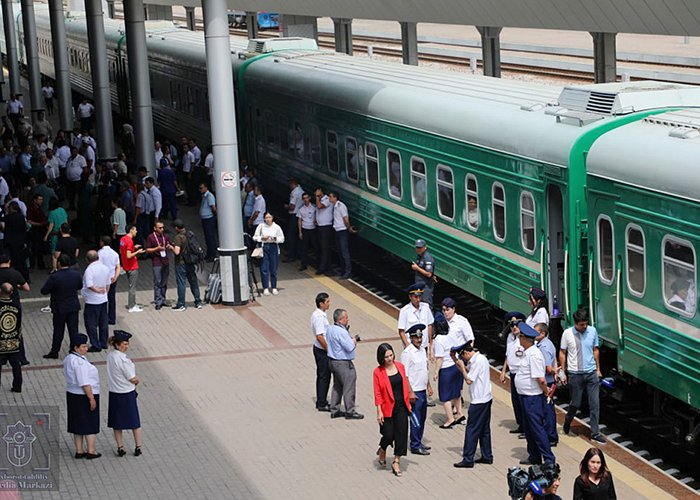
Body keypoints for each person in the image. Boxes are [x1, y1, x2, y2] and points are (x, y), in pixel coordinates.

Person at [559, 308, 605, 444]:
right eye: (581, 324)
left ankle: (595, 433)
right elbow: (562, 352)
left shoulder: (593, 331)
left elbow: (595, 350)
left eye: (586, 324)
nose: (584, 327)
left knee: (594, 404)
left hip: (591, 373)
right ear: (575, 323)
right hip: (575, 374)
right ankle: (568, 420)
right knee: (575, 403)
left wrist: (598, 369)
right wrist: (563, 371)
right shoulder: (567, 334)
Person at [515, 322, 556, 466]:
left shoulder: (535, 355)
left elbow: (541, 379)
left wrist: (546, 393)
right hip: (525, 396)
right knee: (529, 429)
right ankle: (534, 456)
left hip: (532, 398)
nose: (518, 338)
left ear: (525, 338)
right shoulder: (529, 353)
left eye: (520, 336)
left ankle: (549, 459)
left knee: (537, 429)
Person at [452, 341, 493, 468]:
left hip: (479, 401)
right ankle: (487, 455)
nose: (462, 360)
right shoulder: (481, 359)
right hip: (486, 399)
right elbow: (466, 369)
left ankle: (468, 458)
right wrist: (454, 359)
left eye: (462, 356)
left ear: (466, 353)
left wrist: (463, 368)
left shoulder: (477, 362)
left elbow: (469, 379)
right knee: (484, 429)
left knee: (472, 429)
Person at [373, 343, 411, 477]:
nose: (390, 358)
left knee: (401, 434)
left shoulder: (400, 366)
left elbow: (405, 384)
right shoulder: (378, 372)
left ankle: (396, 461)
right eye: (387, 357)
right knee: (388, 434)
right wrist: (379, 411)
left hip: (401, 406)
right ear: (381, 358)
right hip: (387, 408)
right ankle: (382, 448)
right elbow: (377, 393)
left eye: (391, 355)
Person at [64, 333, 102, 459]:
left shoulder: (69, 358)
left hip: (72, 395)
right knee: (90, 423)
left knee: (77, 424)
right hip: (84, 396)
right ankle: (91, 450)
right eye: (83, 346)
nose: (86, 349)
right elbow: (84, 382)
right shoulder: (79, 363)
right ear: (76, 348)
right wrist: (91, 398)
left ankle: (79, 450)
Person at [106, 330, 143, 457]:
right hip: (126, 393)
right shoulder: (123, 360)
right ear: (117, 345)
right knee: (134, 422)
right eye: (124, 344)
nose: (126, 346)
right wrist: (137, 380)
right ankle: (138, 446)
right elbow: (132, 378)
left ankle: (120, 447)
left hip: (114, 393)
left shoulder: (110, 356)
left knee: (117, 423)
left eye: (127, 344)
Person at [41, 254, 83, 358]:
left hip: (59, 308)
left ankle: (55, 352)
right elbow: (80, 286)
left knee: (58, 331)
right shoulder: (76, 274)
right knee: (73, 330)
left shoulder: (55, 276)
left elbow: (44, 291)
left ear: (59, 263)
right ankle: (74, 350)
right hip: (73, 306)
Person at [400, 323, 432, 456]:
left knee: (422, 417)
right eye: (416, 338)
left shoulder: (422, 351)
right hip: (414, 391)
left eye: (420, 337)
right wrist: (410, 391)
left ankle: (418, 440)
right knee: (416, 419)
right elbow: (404, 374)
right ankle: (415, 445)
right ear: (411, 338)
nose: (419, 340)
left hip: (422, 389)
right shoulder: (407, 353)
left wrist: (428, 385)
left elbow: (425, 369)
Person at [325, 308, 363, 420]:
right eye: (346, 317)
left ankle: (335, 409)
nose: (348, 319)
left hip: (332, 361)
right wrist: (355, 339)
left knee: (337, 385)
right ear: (341, 320)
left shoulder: (330, 329)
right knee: (349, 386)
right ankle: (350, 411)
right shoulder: (341, 332)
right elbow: (350, 347)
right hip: (343, 363)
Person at [433, 317, 464, 428]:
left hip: (446, 370)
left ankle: (450, 419)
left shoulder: (438, 340)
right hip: (456, 366)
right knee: (456, 392)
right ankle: (460, 414)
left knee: (445, 396)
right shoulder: (451, 334)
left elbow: (440, 359)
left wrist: (436, 371)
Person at [500, 311, 526, 435]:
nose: (514, 327)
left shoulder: (525, 338)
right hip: (513, 372)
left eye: (517, 325)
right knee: (515, 400)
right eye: (512, 325)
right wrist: (503, 370)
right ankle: (521, 424)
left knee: (523, 401)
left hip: (523, 373)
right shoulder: (510, 337)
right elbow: (508, 355)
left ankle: (527, 427)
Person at [82, 250, 111, 352]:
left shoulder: (89, 270)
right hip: (103, 300)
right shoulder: (105, 268)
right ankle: (104, 343)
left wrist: (97, 290)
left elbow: (89, 285)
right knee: (103, 322)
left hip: (92, 301)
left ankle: (95, 344)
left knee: (91, 324)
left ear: (87, 259)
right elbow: (108, 283)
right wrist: (105, 292)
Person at [170, 219, 202, 310]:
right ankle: (198, 301)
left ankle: (181, 304)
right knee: (193, 282)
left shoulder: (178, 237)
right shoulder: (189, 234)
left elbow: (177, 252)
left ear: (176, 228)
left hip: (181, 263)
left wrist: (171, 247)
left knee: (181, 283)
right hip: (191, 262)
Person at [535, 323, 558, 446]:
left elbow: (548, 368)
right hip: (550, 380)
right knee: (548, 409)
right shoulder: (548, 344)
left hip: (547, 382)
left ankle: (551, 437)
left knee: (547, 410)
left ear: (542, 333)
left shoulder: (543, 347)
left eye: (536, 332)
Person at [253, 212, 285, 296]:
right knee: (264, 268)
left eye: (269, 217)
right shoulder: (261, 226)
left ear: (272, 218)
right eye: (266, 217)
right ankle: (265, 287)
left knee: (273, 268)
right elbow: (255, 237)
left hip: (274, 247)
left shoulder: (277, 227)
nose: (268, 219)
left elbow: (282, 238)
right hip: (264, 247)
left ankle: (274, 287)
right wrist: (262, 238)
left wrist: (275, 238)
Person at [397, 283, 434, 352]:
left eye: (420, 297)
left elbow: (429, 325)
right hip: (411, 346)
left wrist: (430, 343)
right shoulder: (405, 311)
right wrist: (407, 346)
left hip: (423, 346)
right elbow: (401, 331)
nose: (418, 299)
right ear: (410, 297)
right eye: (416, 297)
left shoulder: (425, 307)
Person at [0, 283, 22, 393]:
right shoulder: (16, 305)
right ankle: (17, 386)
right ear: (11, 293)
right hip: (13, 340)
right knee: (15, 364)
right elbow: (18, 323)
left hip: (1, 341)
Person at [311, 292, 331, 412]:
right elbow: (320, 336)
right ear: (321, 303)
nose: (329, 304)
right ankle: (321, 403)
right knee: (324, 376)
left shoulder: (320, 314)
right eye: (327, 302)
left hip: (321, 349)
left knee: (323, 375)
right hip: (322, 350)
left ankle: (322, 399)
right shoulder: (319, 317)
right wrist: (328, 349)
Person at [145, 221, 171, 310]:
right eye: (160, 228)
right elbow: (147, 250)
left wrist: (168, 247)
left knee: (164, 282)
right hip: (156, 262)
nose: (162, 229)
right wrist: (157, 248)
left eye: (163, 227)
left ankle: (163, 299)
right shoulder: (151, 237)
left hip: (165, 261)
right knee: (158, 282)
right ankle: (158, 301)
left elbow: (169, 244)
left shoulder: (166, 237)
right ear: (155, 228)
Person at [120, 225, 146, 313]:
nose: (136, 231)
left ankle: (133, 303)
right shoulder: (129, 241)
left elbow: (123, 251)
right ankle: (132, 306)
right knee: (132, 287)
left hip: (126, 266)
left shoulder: (123, 239)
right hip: (132, 266)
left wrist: (134, 248)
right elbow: (128, 255)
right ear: (131, 230)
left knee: (131, 285)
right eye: (135, 230)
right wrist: (137, 251)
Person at [328, 191, 353, 279]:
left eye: (330, 196)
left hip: (342, 231)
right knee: (340, 252)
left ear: (335, 198)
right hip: (337, 231)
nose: (329, 198)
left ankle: (347, 272)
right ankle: (343, 271)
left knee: (344, 252)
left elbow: (345, 218)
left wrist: (348, 227)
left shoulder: (341, 206)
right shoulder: (334, 206)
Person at [98, 236, 120, 325]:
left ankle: (102, 319)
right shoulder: (115, 253)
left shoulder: (100, 253)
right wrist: (116, 276)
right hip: (112, 278)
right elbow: (118, 266)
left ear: (102, 242)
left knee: (102, 298)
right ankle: (112, 318)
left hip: (103, 279)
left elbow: (98, 266)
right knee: (111, 298)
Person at [314, 187, 333, 275]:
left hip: (326, 226)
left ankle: (322, 268)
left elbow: (319, 206)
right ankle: (326, 266)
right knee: (322, 247)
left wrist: (317, 197)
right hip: (320, 226)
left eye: (318, 192)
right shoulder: (321, 199)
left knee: (325, 247)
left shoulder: (327, 199)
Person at [44, 198, 67, 272]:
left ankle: (54, 268)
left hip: (55, 234)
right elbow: (66, 221)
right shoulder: (62, 210)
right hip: (63, 233)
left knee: (54, 251)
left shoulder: (52, 213)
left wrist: (46, 235)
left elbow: (51, 225)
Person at [283, 178, 303, 262]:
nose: (289, 186)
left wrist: (286, 206)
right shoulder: (301, 190)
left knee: (291, 236)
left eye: (290, 184)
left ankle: (291, 256)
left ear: (293, 183)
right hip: (299, 215)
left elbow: (292, 207)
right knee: (296, 237)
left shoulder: (295, 192)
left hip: (294, 215)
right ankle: (296, 254)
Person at [412, 239, 436, 307]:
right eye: (417, 247)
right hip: (419, 286)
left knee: (426, 306)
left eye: (420, 247)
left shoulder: (427, 258)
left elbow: (429, 274)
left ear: (425, 247)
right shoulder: (420, 256)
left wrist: (417, 268)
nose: (418, 249)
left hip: (425, 287)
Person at [297, 192, 317, 271]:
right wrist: (300, 232)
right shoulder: (301, 209)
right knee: (304, 248)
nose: (305, 200)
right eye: (304, 198)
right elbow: (299, 221)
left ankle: (317, 264)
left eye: (306, 198)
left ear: (309, 198)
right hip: (305, 229)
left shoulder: (314, 207)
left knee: (316, 247)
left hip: (313, 229)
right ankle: (303, 264)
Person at [199, 183, 217, 261]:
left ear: (206, 187)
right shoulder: (204, 196)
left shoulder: (209, 196)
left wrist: (214, 216)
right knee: (207, 238)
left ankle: (212, 255)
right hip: (205, 219)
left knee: (210, 238)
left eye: (201, 188)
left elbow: (213, 208)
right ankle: (209, 254)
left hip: (209, 219)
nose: (200, 190)